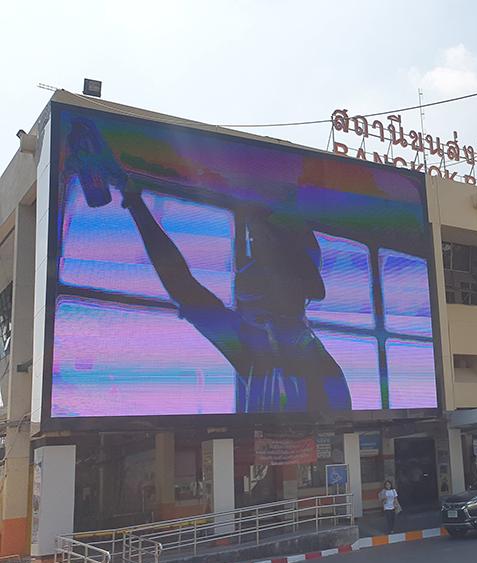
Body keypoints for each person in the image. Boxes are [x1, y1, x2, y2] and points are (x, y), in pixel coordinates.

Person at [72, 121, 352, 414]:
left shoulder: (291, 355)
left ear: (293, 283)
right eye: (256, 250)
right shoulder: (261, 342)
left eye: (266, 257)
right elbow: (184, 287)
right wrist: (131, 197)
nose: (254, 267)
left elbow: (184, 288)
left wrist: (133, 199)